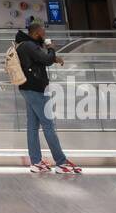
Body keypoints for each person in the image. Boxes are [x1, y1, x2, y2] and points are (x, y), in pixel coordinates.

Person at [15, 21, 80, 174]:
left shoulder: (25, 44)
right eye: (43, 31)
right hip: (35, 89)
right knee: (49, 125)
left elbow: (41, 59)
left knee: (32, 126)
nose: (45, 34)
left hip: (27, 87)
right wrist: (51, 48)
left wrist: (52, 57)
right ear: (37, 32)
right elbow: (45, 60)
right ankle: (61, 162)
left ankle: (36, 162)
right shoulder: (30, 45)